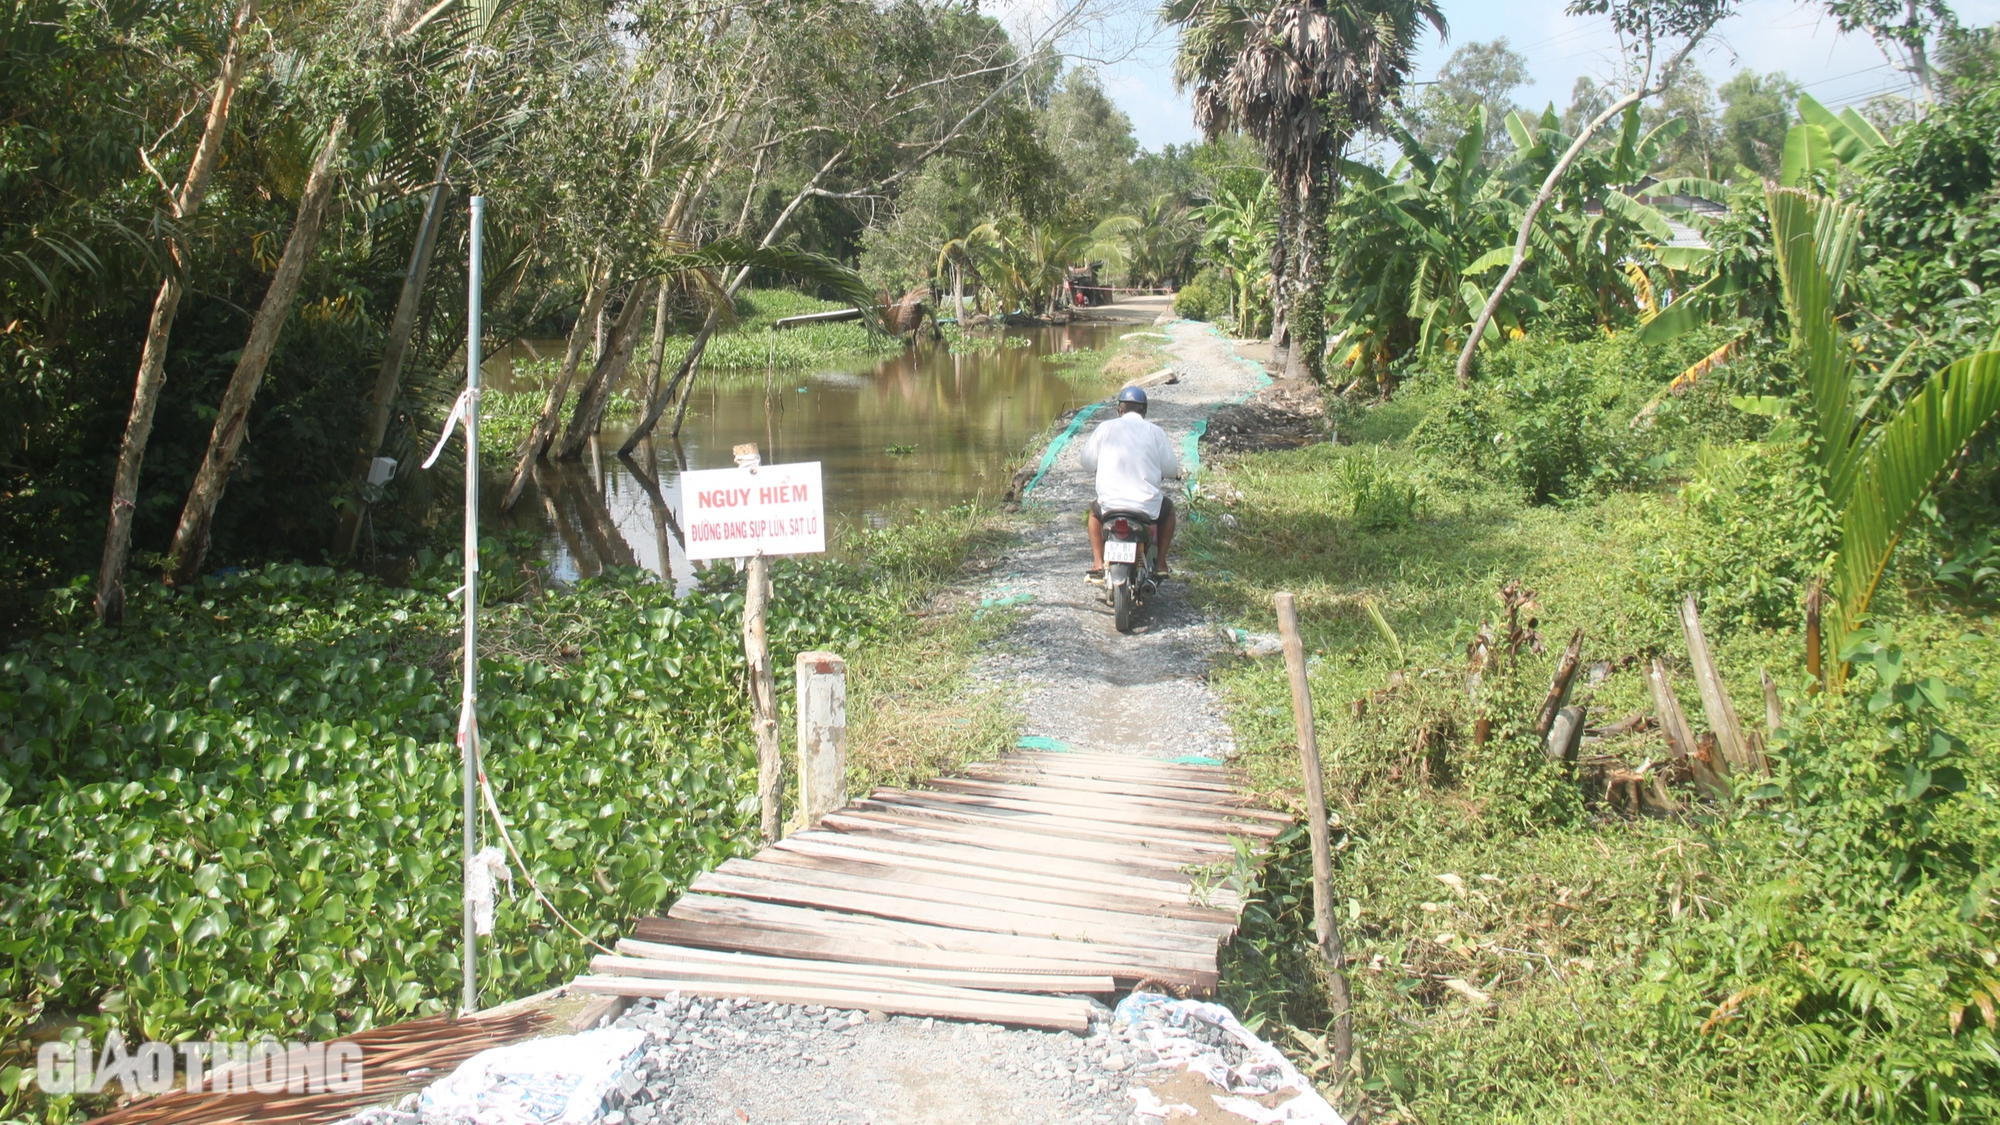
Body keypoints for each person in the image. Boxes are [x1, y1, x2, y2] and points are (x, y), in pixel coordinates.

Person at [1080, 385, 1181, 581]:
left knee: (1093, 512)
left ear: (1120, 409)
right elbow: (1170, 470)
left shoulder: (1105, 428)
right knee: (1169, 511)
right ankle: (1161, 564)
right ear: (1144, 411)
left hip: (1110, 505)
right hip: (1146, 506)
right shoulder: (1155, 432)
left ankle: (1098, 562)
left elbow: (1086, 463)